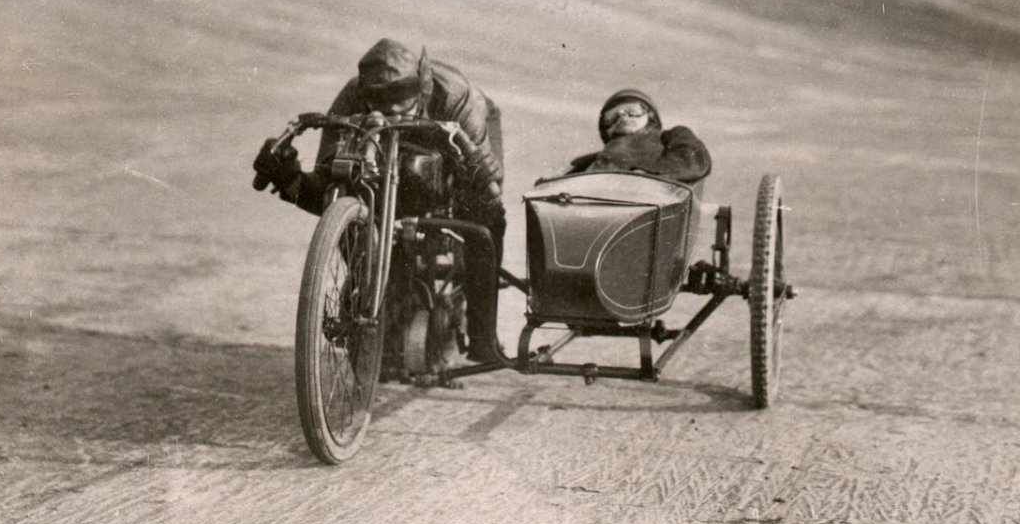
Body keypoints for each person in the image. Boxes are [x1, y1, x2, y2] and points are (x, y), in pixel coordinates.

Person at [252, 38, 505, 361]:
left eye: (403, 106)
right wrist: (289, 179)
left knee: (486, 214)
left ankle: (483, 335)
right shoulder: (352, 96)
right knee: (349, 185)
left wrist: (479, 180)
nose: (393, 117)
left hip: (462, 140)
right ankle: (379, 289)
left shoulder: (457, 99)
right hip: (392, 167)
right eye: (382, 108)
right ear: (366, 95)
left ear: (422, 90)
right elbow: (329, 190)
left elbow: (488, 186)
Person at [565, 89, 711, 184]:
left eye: (632, 111)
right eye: (611, 117)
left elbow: (693, 163)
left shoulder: (672, 135)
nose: (622, 117)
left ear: (650, 115)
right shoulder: (587, 161)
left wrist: (645, 176)